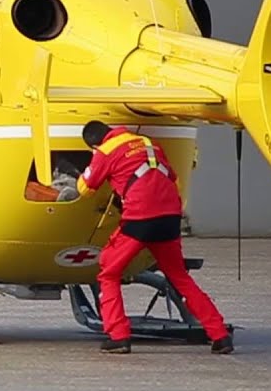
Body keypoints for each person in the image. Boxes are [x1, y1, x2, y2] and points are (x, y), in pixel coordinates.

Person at [74, 120, 234, 355]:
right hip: (170, 217)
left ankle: (118, 336)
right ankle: (220, 335)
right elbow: (173, 179)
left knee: (108, 271)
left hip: (139, 218)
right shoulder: (148, 143)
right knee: (179, 276)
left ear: (95, 144)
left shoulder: (105, 151)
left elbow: (85, 189)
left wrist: (88, 168)